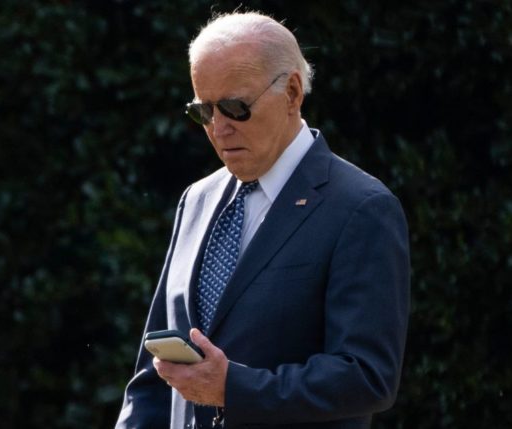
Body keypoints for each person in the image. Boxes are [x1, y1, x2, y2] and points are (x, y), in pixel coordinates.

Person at [116, 11, 409, 429]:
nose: (219, 128)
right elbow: (154, 374)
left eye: (236, 108)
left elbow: (367, 376)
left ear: (292, 92)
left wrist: (233, 388)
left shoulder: (361, 208)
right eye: (203, 111)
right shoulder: (197, 199)